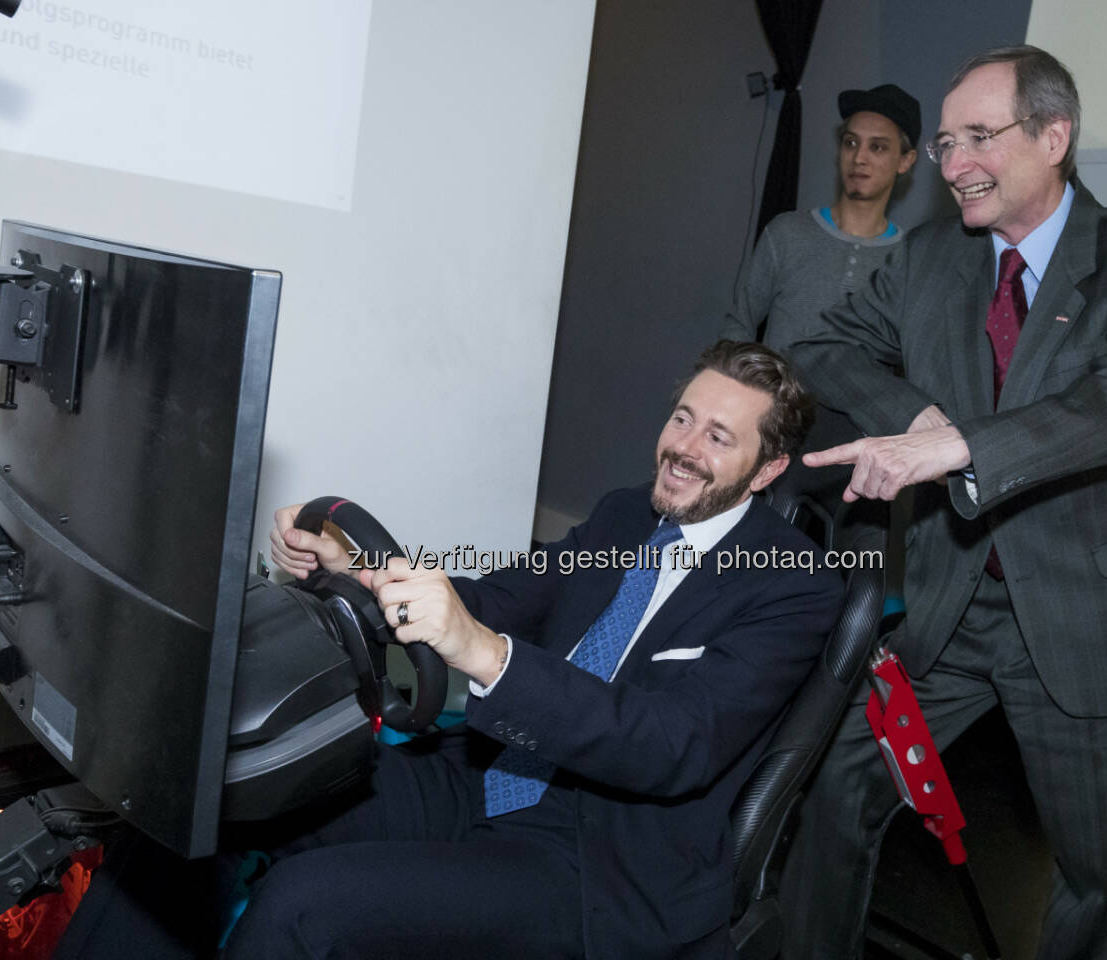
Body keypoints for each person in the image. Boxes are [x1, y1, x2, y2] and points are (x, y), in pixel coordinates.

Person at [60, 340, 843, 960]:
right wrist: (358, 570)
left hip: (597, 857)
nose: (683, 448)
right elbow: (499, 600)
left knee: (304, 907)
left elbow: (671, 746)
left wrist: (485, 653)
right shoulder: (622, 516)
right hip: (491, 776)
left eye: (717, 436)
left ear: (769, 468)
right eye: (681, 418)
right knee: (215, 804)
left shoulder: (793, 584)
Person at [777, 46, 1107, 960]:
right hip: (954, 607)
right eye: (944, 142)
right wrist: (916, 413)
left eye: (981, 135)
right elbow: (825, 343)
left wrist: (956, 446)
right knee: (836, 790)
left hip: (1099, 620)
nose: (956, 161)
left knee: (1099, 878)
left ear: (1054, 137)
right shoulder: (931, 256)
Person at [721, 84, 921, 563]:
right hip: (771, 429)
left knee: (841, 579)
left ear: (906, 161)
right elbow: (738, 323)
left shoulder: (913, 260)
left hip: (855, 449)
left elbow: (914, 362)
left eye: (878, 147)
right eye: (851, 142)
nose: (859, 157)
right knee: (737, 564)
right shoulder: (787, 234)